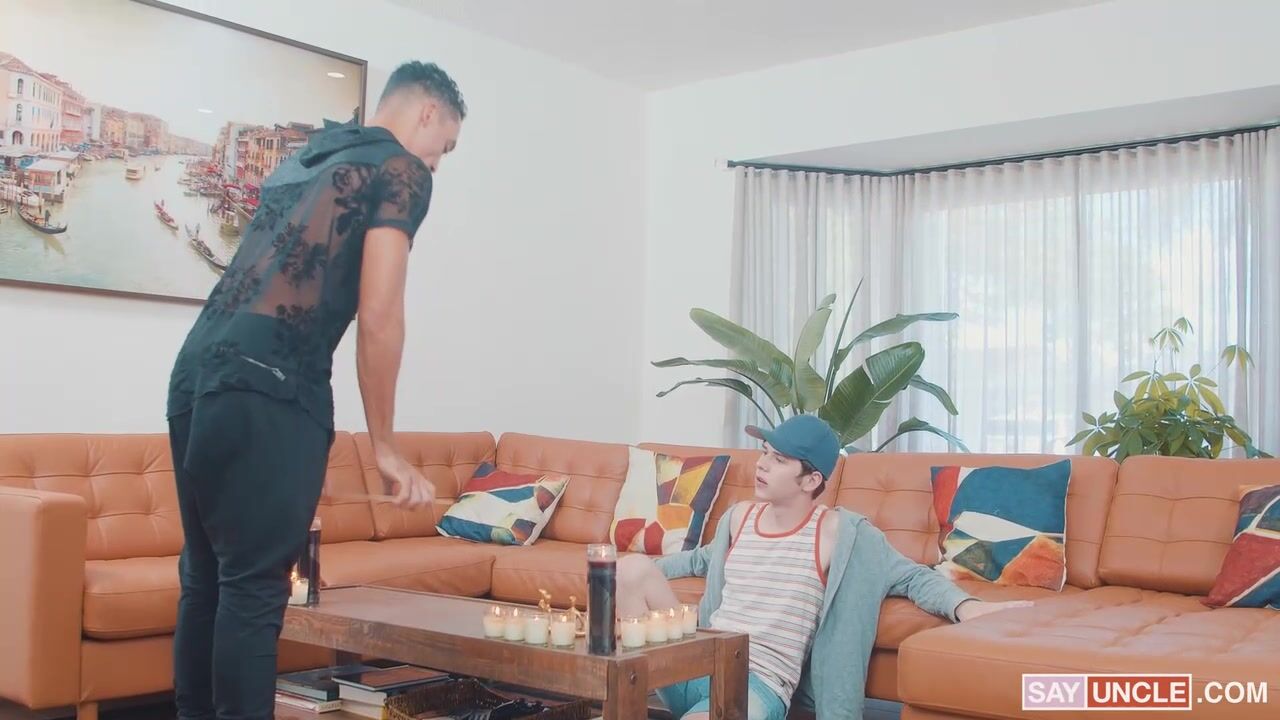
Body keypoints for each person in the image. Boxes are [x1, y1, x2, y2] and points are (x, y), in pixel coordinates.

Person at [164, 61, 466, 720]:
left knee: (206, 578)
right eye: (444, 146)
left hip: (195, 373)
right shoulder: (400, 170)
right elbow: (379, 316)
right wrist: (385, 447)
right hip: (272, 381)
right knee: (253, 591)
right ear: (426, 114)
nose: (437, 164)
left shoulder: (302, 161)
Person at [616, 414, 1033, 720]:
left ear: (810, 480)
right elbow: (698, 560)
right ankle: (616, 688)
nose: (762, 464)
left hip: (754, 682)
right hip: (695, 660)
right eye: (764, 453)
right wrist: (615, 568)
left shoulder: (841, 534)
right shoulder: (738, 518)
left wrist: (967, 607)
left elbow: (910, 575)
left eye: (779, 460)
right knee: (629, 569)